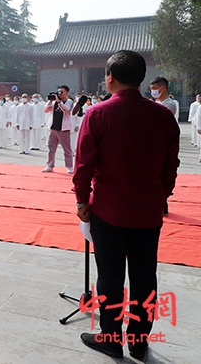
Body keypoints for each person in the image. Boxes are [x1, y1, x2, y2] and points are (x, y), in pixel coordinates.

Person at [74, 50, 180, 361]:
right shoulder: (163, 116)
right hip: (147, 212)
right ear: (142, 78)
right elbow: (170, 166)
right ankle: (138, 341)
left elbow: (84, 165)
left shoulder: (99, 114)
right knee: (145, 276)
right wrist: (161, 196)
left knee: (110, 276)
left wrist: (82, 200)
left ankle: (110, 337)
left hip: (109, 210)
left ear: (109, 78)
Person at [43, 85, 74, 174]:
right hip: (53, 127)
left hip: (63, 128)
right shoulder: (53, 102)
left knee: (66, 149)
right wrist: (50, 101)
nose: (59, 93)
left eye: (62, 92)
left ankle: (70, 166)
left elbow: (67, 110)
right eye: (59, 91)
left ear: (67, 93)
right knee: (51, 148)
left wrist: (59, 102)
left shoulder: (69, 101)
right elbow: (46, 110)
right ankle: (50, 165)